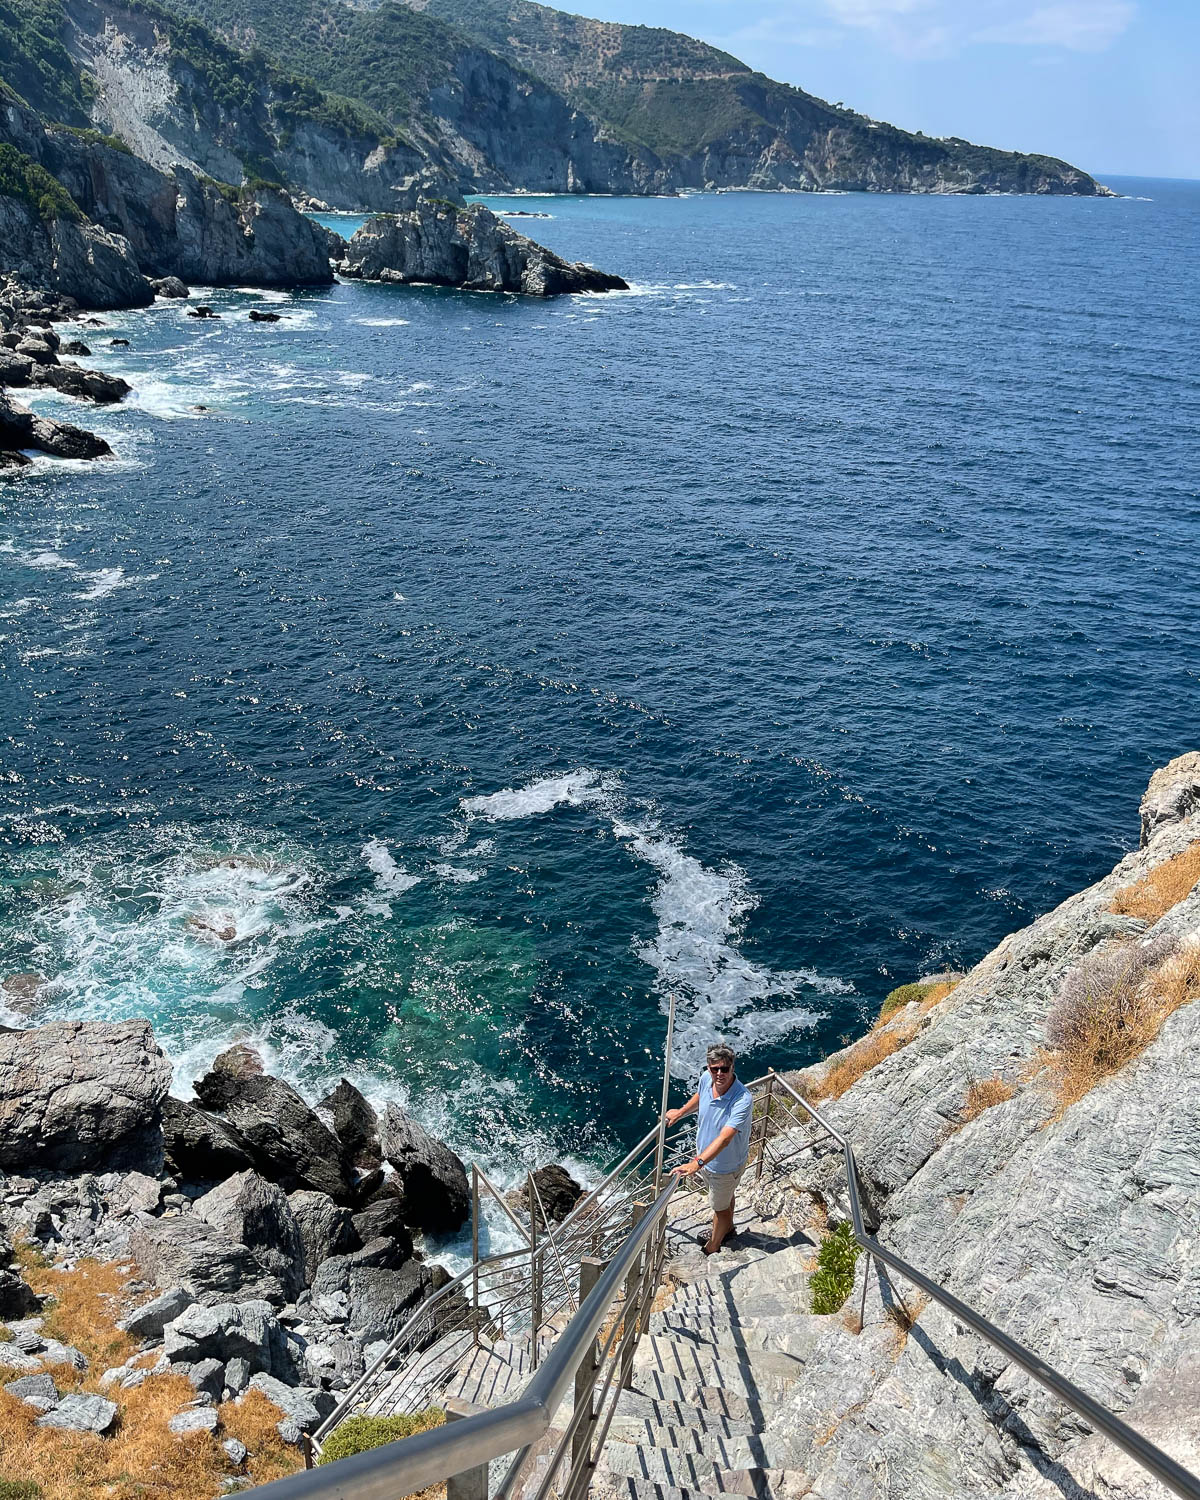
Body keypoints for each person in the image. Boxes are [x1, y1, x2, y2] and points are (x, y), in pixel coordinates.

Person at [667, 1043, 753, 1255]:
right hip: (708, 1160)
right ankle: (729, 1229)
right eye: (715, 1069)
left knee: (720, 1209)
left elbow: (725, 1139)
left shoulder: (742, 1099)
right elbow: (700, 1096)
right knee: (724, 1199)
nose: (720, 1074)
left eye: (725, 1068)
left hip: (724, 1166)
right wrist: (681, 1112)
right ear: (708, 1068)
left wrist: (696, 1163)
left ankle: (714, 1245)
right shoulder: (707, 1079)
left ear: (733, 1067)